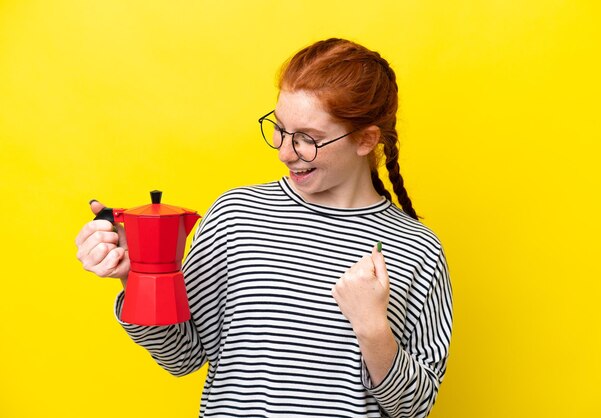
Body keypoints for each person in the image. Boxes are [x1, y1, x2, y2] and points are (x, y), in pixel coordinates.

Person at [75, 38, 453, 418]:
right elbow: (182, 356)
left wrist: (372, 328)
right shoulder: (236, 217)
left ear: (365, 139)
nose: (285, 152)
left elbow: (413, 408)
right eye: (280, 128)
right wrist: (138, 274)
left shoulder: (417, 249)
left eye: (309, 139)